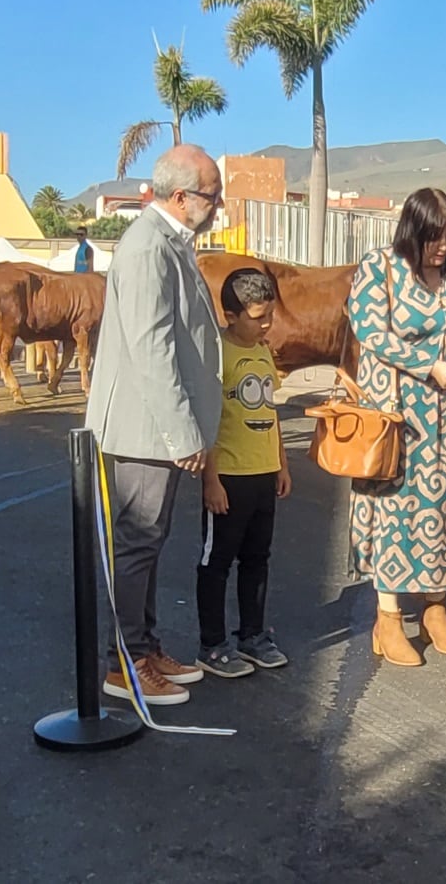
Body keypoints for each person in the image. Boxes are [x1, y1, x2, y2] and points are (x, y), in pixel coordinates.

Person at [86, 144, 225, 706]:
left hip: (155, 426)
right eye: (213, 196)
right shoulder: (148, 248)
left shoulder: (168, 241)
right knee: (139, 542)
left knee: (148, 539)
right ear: (181, 197)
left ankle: (143, 645)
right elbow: (152, 348)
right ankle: (125, 662)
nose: (219, 207)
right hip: (146, 428)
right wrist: (181, 433)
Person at [349, 187, 446, 668]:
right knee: (395, 509)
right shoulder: (380, 267)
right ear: (413, 233)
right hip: (395, 415)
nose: (445, 247)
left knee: (445, 507)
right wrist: (428, 365)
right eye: (436, 238)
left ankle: (436, 608)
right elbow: (369, 331)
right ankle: (388, 618)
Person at [193, 268, 292, 679]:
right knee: (216, 562)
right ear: (231, 315)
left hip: (263, 474)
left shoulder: (264, 351)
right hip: (228, 478)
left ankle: (252, 635)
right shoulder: (217, 355)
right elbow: (207, 420)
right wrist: (210, 480)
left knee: (257, 559)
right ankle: (212, 645)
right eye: (257, 316)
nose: (266, 323)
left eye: (269, 315)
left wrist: (282, 463)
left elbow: (269, 411)